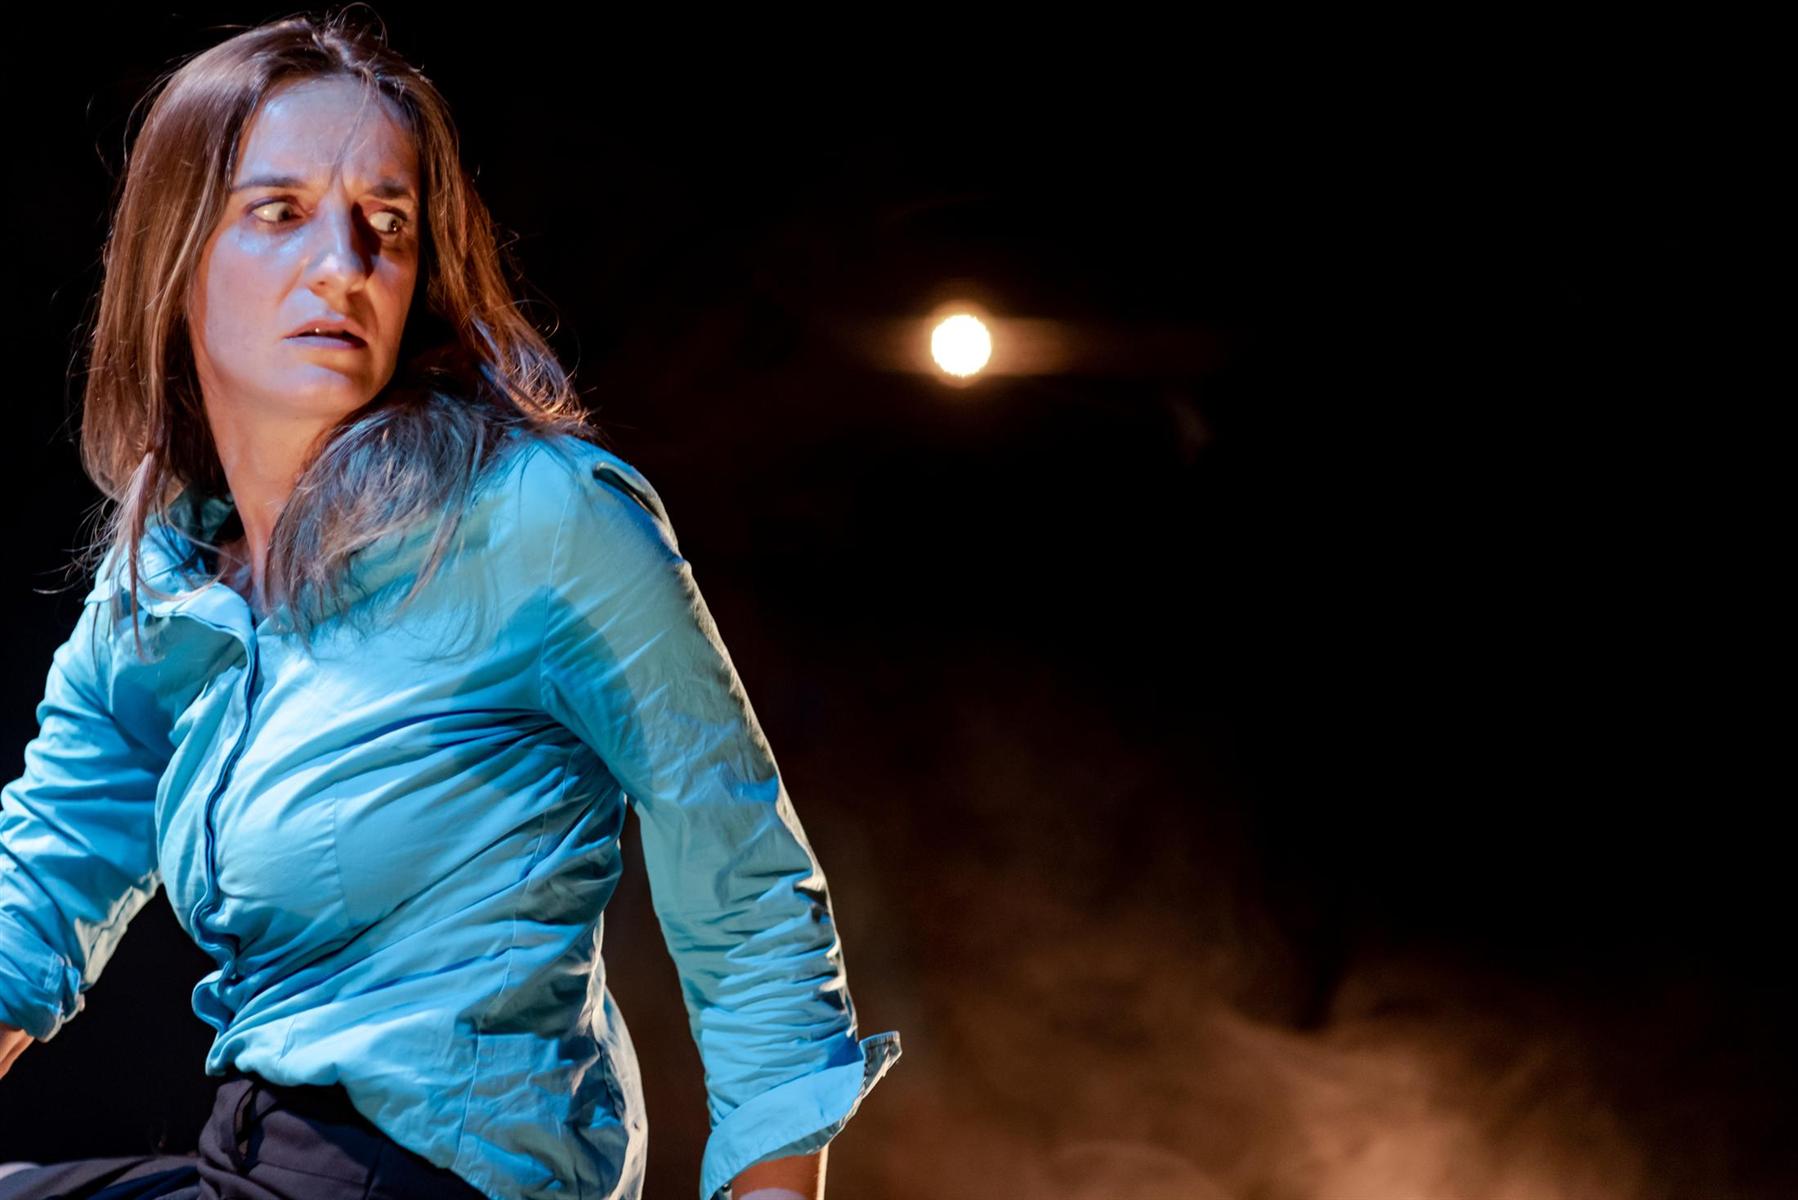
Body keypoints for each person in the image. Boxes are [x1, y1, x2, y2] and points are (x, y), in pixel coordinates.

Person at [0, 11, 901, 1200]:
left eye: (387, 225)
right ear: (178, 256)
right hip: (250, 1158)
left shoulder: (537, 516)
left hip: (434, 1174)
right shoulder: (163, 580)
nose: (344, 264)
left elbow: (746, 899)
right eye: (280, 212)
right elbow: (40, 886)